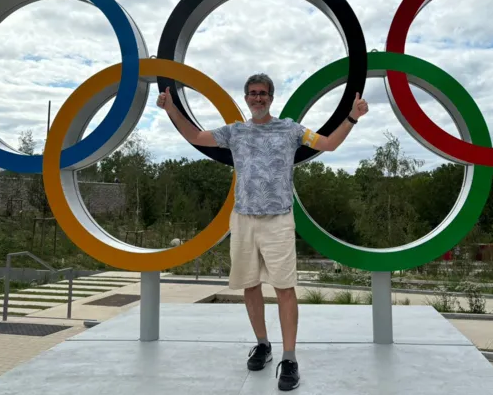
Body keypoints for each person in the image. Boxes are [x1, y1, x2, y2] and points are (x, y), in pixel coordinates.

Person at [157, 73, 368, 391]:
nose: (258, 98)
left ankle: (290, 358)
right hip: (242, 220)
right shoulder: (235, 132)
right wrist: (171, 109)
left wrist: (353, 116)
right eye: (253, 93)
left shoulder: (291, 129)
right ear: (246, 98)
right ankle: (263, 345)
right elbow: (197, 136)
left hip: (279, 221)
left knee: (285, 289)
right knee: (250, 286)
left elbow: (328, 144)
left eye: (264, 93)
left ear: (271, 97)